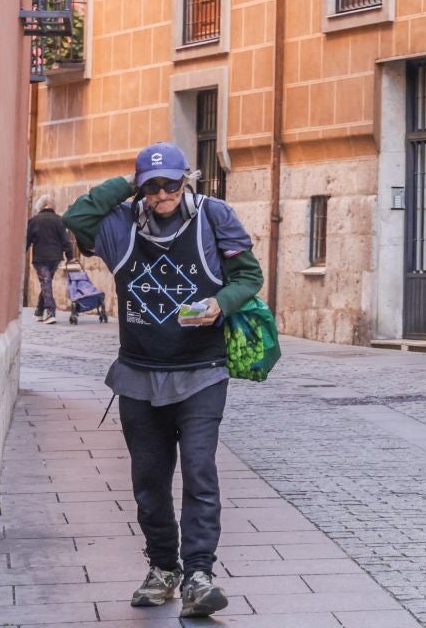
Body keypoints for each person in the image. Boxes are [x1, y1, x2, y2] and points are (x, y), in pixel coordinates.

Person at [63, 143, 263, 619]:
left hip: (202, 372)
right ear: (140, 189)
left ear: (186, 182)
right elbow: (77, 218)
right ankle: (163, 568)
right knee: (149, 482)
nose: (163, 193)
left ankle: (199, 574)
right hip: (138, 376)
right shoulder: (120, 229)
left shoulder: (214, 217)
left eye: (171, 183)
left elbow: (248, 276)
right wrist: (127, 184)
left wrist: (221, 303)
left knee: (198, 471)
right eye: (152, 185)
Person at [25, 195, 72, 324]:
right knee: (47, 283)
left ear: (40, 205)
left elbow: (26, 241)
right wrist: (70, 257)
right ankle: (39, 312)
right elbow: (66, 241)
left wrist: (20, 256)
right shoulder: (59, 220)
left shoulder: (34, 221)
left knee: (46, 283)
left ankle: (51, 312)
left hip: (40, 258)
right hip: (55, 258)